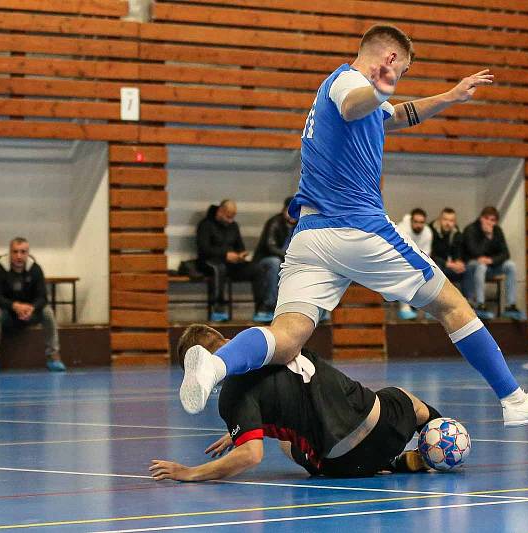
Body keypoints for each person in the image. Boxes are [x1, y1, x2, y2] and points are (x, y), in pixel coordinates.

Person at [179, 24, 528, 428]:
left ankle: (215, 366)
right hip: (357, 228)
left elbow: (394, 115)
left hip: (310, 237)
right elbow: (355, 104)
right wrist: (378, 89)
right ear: (390, 60)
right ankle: (512, 397)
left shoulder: (351, 96)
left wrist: (450, 96)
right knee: (451, 303)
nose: (400, 81)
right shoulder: (346, 83)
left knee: (288, 337)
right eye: (404, 71)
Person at [151, 324, 441, 481]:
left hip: (344, 466)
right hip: (382, 427)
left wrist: (189, 472)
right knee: (405, 399)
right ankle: (440, 434)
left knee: (287, 444)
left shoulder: (232, 395)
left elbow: (251, 455)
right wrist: (247, 426)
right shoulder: (272, 343)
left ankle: (394, 462)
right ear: (227, 339)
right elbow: (285, 389)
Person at [0, 237, 65, 373]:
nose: (19, 256)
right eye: (15, 252)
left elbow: (43, 297)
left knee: (48, 312)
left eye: (23, 252)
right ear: (10, 253)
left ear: (28, 253)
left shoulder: (35, 269)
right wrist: (15, 306)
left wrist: (31, 308)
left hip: (30, 313)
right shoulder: (0, 269)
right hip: (8, 314)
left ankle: (53, 356)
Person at [462, 206, 524, 321]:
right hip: (472, 267)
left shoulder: (497, 231)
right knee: (481, 266)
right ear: (481, 218)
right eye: (487, 218)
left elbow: (505, 253)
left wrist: (491, 260)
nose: (489, 222)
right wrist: (487, 237)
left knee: (510, 265)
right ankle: (480, 304)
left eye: (493, 220)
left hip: (491, 266)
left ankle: (511, 305)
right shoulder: (470, 229)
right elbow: (474, 252)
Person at [196, 199, 252, 322]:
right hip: (209, 262)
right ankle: (218, 307)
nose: (230, 220)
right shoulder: (205, 225)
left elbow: (240, 246)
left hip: (231, 263)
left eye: (233, 217)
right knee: (219, 269)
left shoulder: (234, 226)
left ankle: (263, 307)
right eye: (228, 216)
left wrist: (241, 255)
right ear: (220, 211)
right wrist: (225, 255)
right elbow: (203, 249)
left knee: (256, 268)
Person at [251, 197, 296, 323]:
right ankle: (269, 305)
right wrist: (289, 256)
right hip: (265, 260)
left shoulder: (301, 224)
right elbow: (270, 247)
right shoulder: (274, 222)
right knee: (275, 262)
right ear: (284, 210)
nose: (294, 215)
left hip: (287, 260)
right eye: (291, 211)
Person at [396, 208, 432, 320]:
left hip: (417, 262)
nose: (418, 225)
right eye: (416, 222)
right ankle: (404, 308)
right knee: (405, 271)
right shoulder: (401, 229)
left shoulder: (428, 233)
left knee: (432, 272)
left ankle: (429, 308)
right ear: (411, 221)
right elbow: (399, 251)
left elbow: (426, 255)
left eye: (421, 222)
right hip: (398, 260)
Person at [430, 207, 466, 284]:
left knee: (467, 269)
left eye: (451, 221)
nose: (448, 223)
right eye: (445, 219)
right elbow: (431, 254)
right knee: (437, 269)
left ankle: (468, 296)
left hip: (450, 264)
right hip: (435, 264)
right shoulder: (430, 231)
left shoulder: (456, 233)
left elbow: (458, 250)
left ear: (455, 222)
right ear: (439, 220)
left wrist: (458, 261)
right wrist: (448, 264)